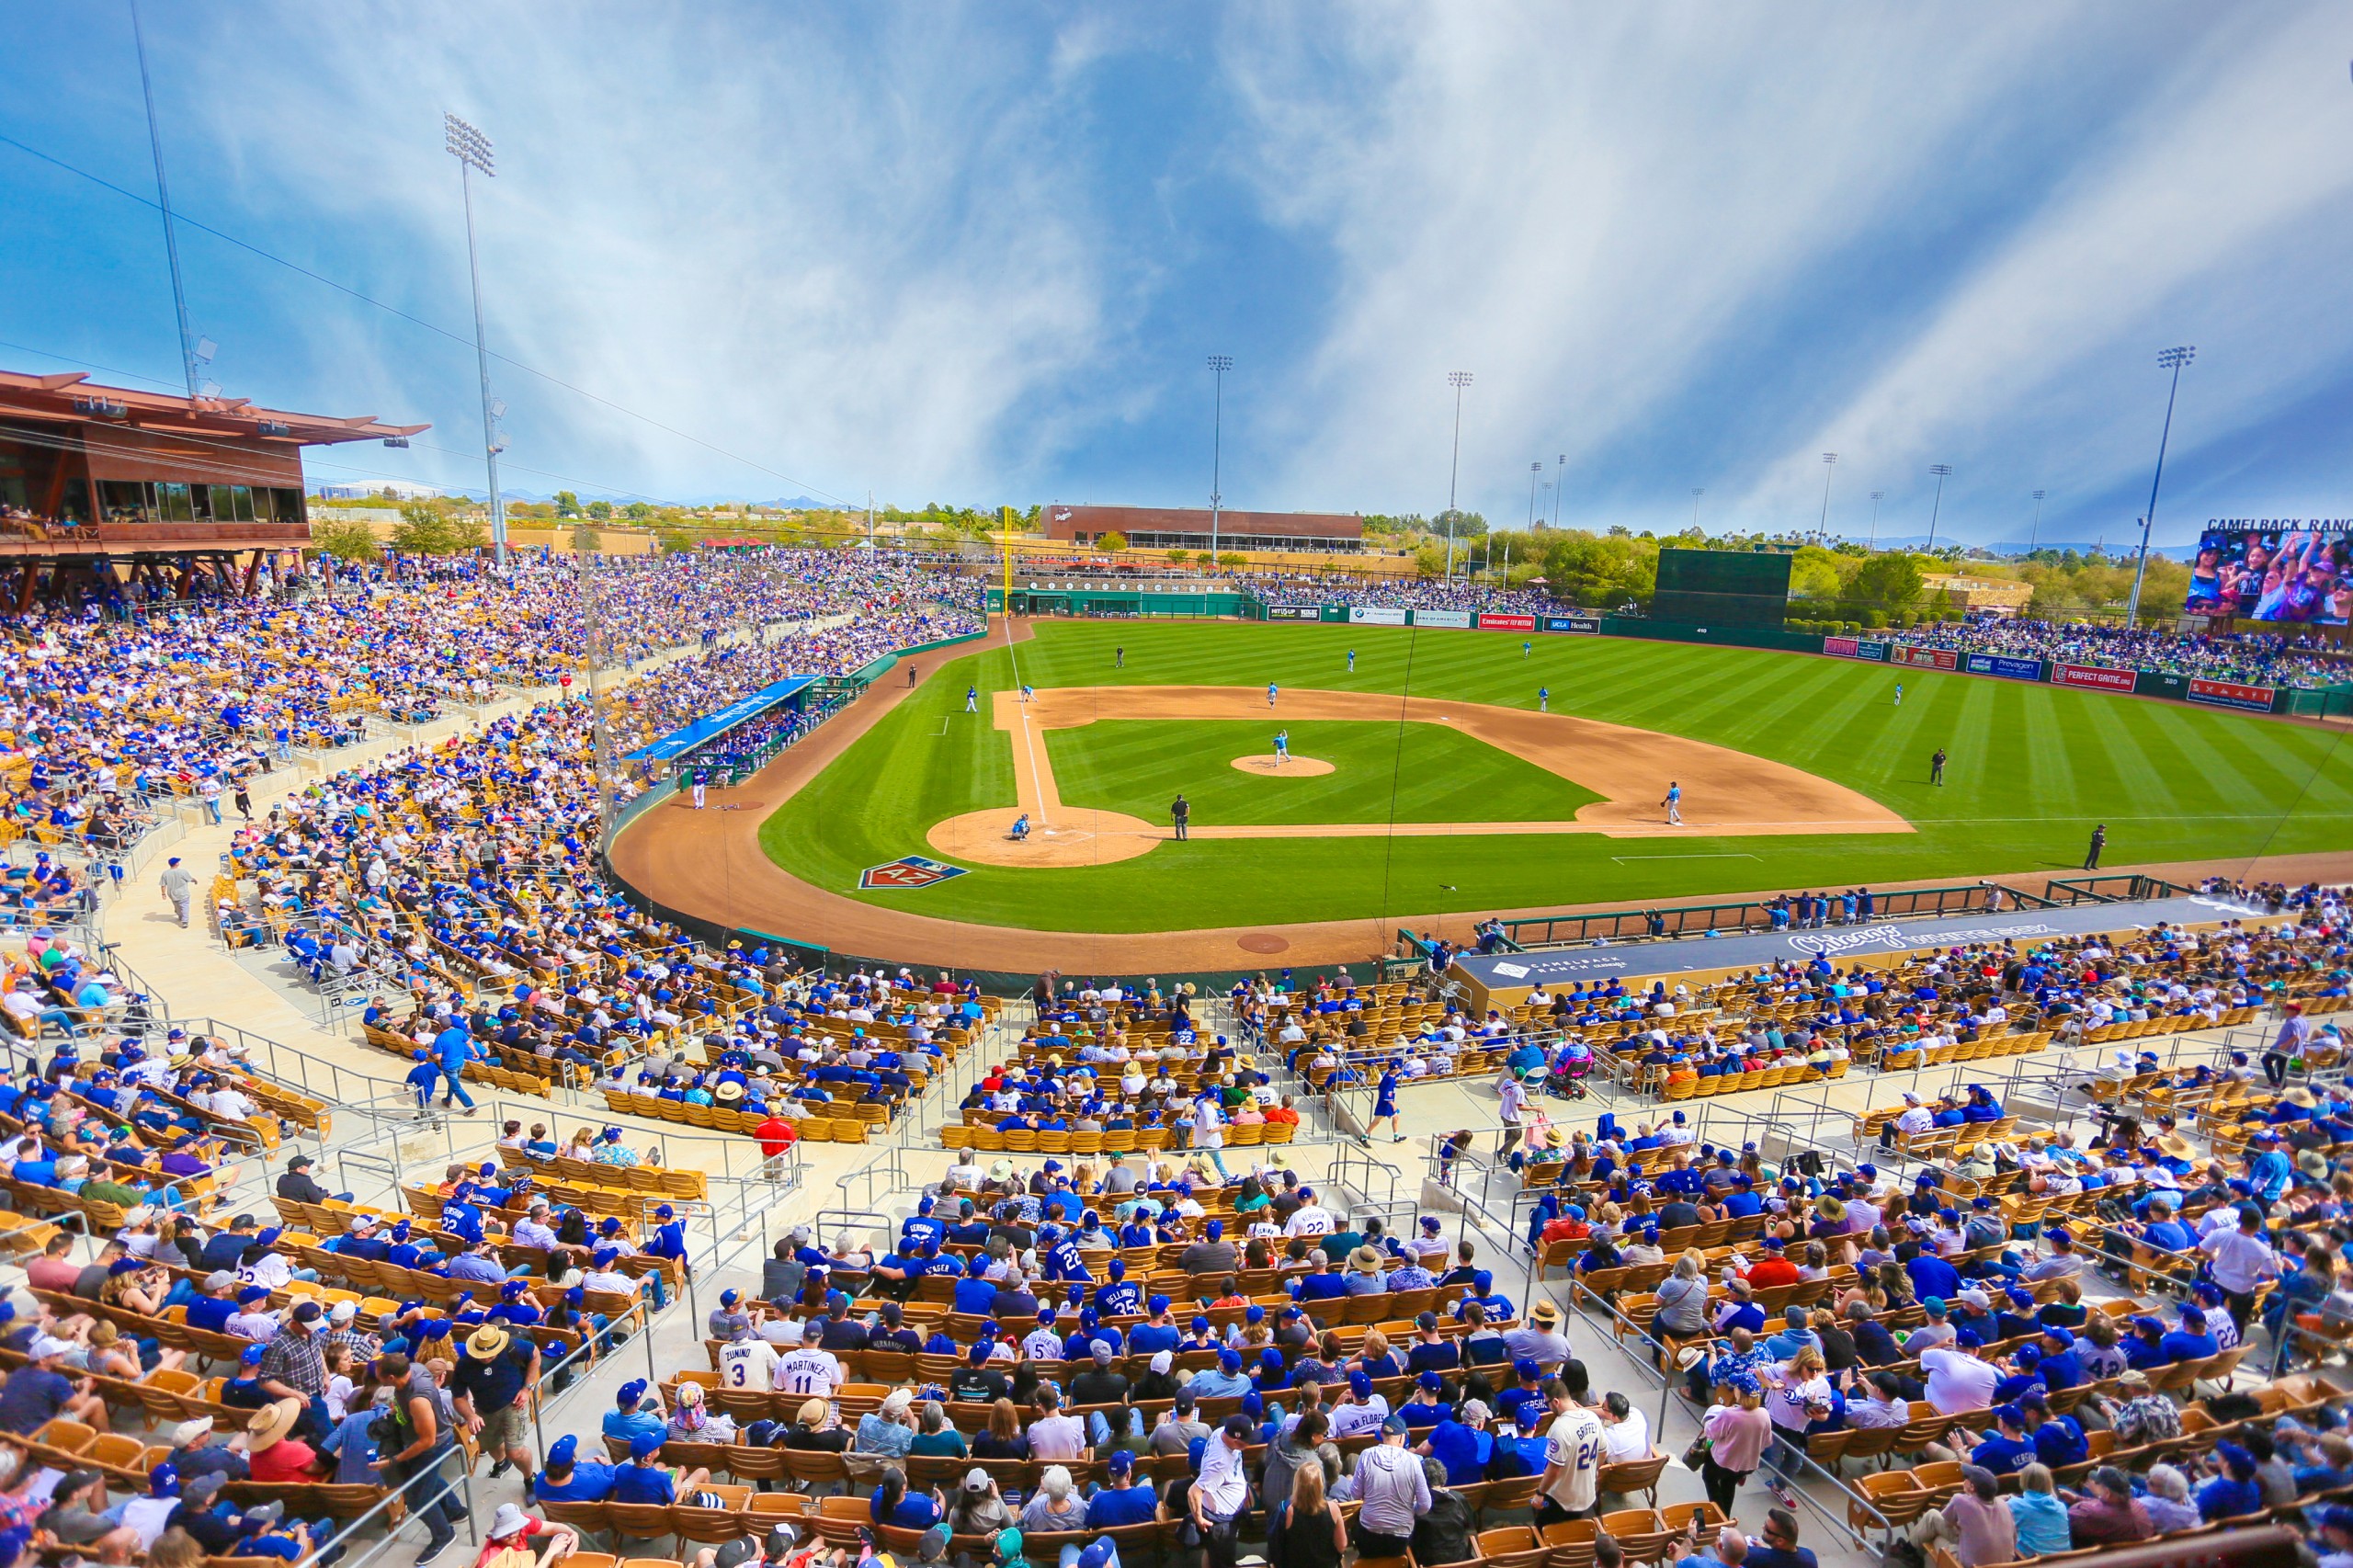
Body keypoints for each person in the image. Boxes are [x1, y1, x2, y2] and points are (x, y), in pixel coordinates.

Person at [1910, 1466, 2016, 1568]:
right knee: (1933, 1519)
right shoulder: (2003, 1505)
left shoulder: (1960, 1501)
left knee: (1936, 1534)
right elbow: (2014, 1538)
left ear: (1972, 1487)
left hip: (1970, 1564)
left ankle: (1909, 1548)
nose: (1964, 1480)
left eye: (1967, 1478)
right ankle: (1912, 1551)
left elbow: (1947, 1524)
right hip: (2004, 1563)